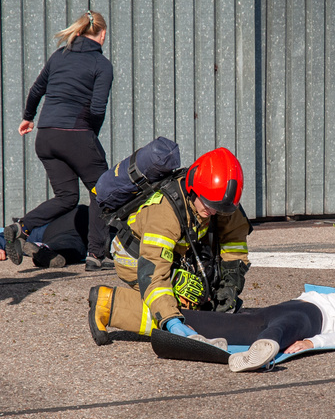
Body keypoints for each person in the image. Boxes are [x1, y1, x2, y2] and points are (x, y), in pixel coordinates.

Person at [88, 147, 251, 345]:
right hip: (135, 257)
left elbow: (235, 241)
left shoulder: (219, 199)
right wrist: (171, 320)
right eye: (209, 206)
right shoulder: (164, 213)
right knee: (184, 309)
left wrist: (230, 284)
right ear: (194, 189)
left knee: (204, 297)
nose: (214, 213)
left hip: (175, 254)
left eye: (220, 209)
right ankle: (109, 304)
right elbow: (153, 273)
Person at [8, 10, 114, 272]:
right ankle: (95, 254)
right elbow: (98, 109)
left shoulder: (59, 56)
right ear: (101, 34)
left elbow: (36, 90)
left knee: (66, 196)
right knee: (102, 192)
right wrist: (90, 136)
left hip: (46, 136)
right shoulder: (101, 65)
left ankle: (20, 227)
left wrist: (28, 118)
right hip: (76, 134)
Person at [181, 291, 335, 372]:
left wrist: (313, 342)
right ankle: (184, 320)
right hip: (291, 307)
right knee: (239, 323)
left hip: (313, 316)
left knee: (282, 327)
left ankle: (265, 346)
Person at [0, 204, 88, 268]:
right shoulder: (36, 229)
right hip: (73, 226)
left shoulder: (33, 229)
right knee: (73, 244)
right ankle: (46, 251)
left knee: (73, 246)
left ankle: (46, 250)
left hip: (78, 222)